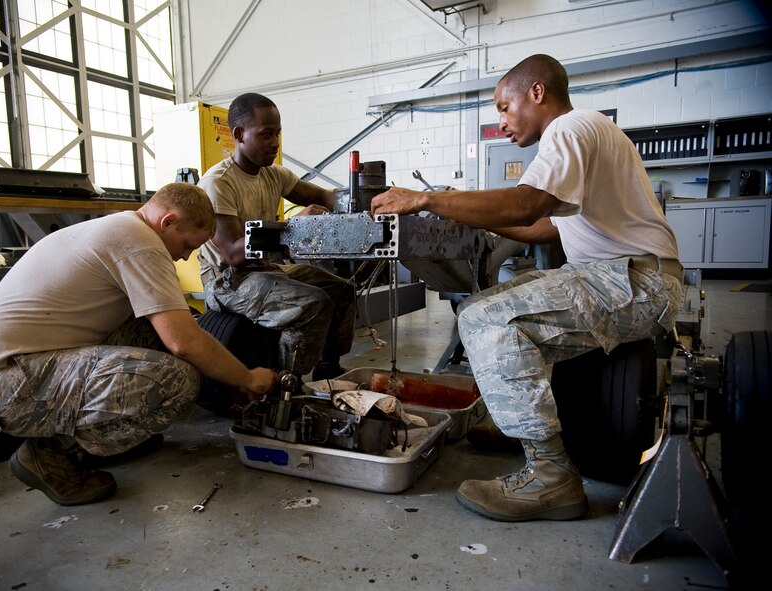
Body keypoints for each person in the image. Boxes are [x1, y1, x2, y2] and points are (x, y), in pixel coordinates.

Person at [371, 54, 682, 522]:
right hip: (625, 275)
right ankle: (521, 422)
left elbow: (527, 203)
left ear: (536, 92)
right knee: (484, 304)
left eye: (503, 106)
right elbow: (544, 226)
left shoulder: (570, 128)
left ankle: (552, 476)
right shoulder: (588, 133)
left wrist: (428, 199)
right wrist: (469, 218)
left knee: (484, 319)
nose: (501, 123)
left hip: (636, 281)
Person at [0, 183, 278, 506]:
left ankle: (97, 435)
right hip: (1, 385)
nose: (184, 257)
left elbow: (176, 330)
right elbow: (184, 343)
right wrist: (247, 378)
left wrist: (229, 375)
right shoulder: (141, 243)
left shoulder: (123, 227)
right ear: (167, 222)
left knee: (153, 330)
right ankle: (49, 454)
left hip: (13, 367)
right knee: (177, 382)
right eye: (186, 245)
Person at [198, 92, 356, 380]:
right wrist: (294, 227)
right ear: (239, 134)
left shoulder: (273, 174)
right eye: (266, 134)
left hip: (264, 270)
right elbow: (234, 253)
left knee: (342, 291)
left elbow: (321, 195)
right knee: (312, 303)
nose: (275, 143)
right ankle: (283, 386)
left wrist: (364, 201)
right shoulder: (218, 183)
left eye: (278, 134)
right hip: (227, 280)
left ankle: (328, 372)